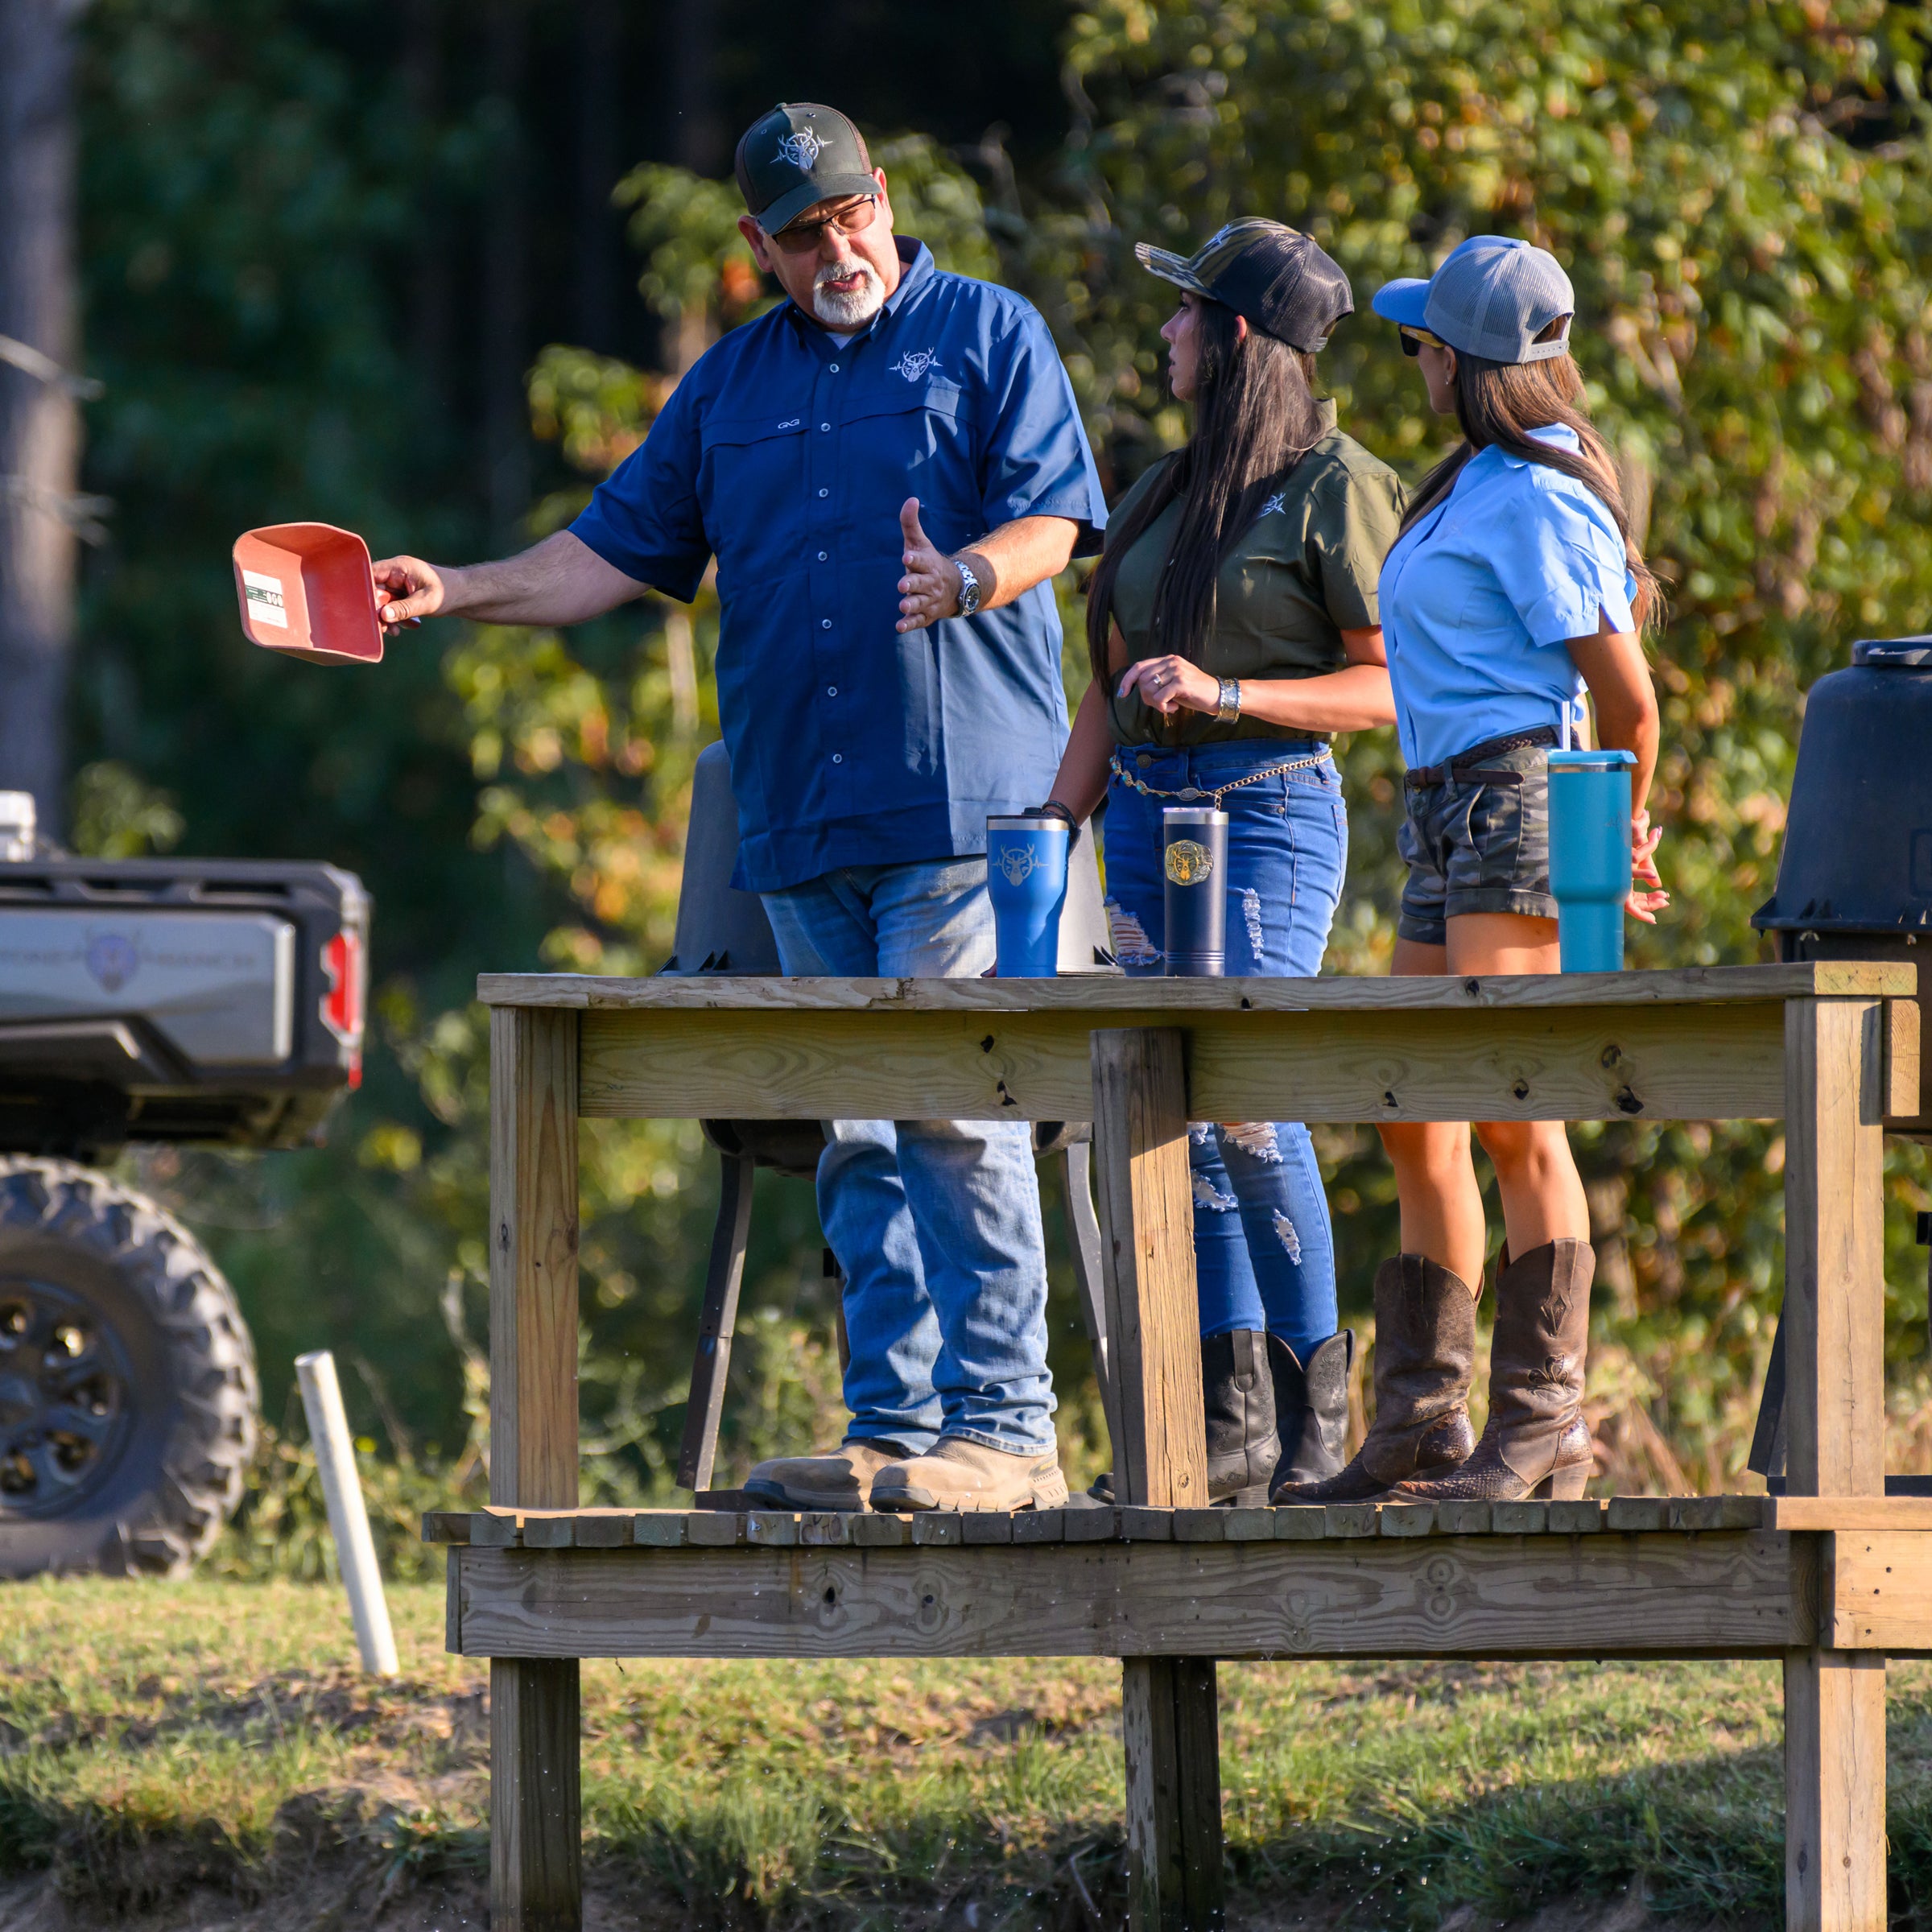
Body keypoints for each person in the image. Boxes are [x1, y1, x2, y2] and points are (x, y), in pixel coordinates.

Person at [369, 103, 1107, 1515]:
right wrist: (452, 591)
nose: (843, 249)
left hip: (960, 809)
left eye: (855, 217)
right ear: (759, 246)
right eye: (808, 233)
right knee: (855, 1125)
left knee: (953, 1109)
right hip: (796, 815)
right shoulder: (729, 387)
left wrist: (964, 579)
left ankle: (1007, 1431)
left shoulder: (989, 333)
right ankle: (894, 1426)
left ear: (885, 196)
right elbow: (604, 555)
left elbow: (1055, 523)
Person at [1278, 236, 1666, 1506]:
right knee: (1414, 1108)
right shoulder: (1473, 479)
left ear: (1463, 362)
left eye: (1422, 347)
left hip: (1515, 802)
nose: (1415, 366)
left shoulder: (1545, 495)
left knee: (1511, 1107)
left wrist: (1613, 846)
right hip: (1446, 808)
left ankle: (1544, 1422)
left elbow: (1627, 702)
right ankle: (1419, 1420)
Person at [1040, 220, 1405, 1504]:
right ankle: (1224, 1433)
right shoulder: (1163, 486)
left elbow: (1390, 690)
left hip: (1266, 814)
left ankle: (1317, 1423)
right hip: (1140, 821)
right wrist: (1050, 831)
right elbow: (1107, 686)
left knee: (1248, 1103)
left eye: (1185, 314)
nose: (1166, 334)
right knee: (1174, 1123)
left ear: (1235, 335)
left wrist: (1232, 690)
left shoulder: (1340, 485)